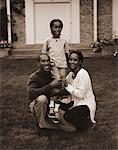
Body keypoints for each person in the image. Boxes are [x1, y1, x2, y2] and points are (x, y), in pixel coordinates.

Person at [27, 53, 76, 132]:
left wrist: (61, 85)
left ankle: (50, 122)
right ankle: (42, 125)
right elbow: (31, 94)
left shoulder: (53, 75)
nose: (46, 63)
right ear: (38, 63)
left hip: (53, 106)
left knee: (71, 129)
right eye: (43, 61)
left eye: (47, 61)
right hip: (39, 106)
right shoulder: (34, 77)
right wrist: (50, 86)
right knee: (42, 99)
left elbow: (63, 91)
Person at [42, 19, 69, 119]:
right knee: (57, 80)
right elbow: (43, 53)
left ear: (61, 28)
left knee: (63, 83)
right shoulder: (48, 41)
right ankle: (51, 105)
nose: (57, 29)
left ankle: (56, 107)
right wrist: (47, 63)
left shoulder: (64, 41)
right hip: (53, 65)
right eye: (55, 27)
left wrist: (69, 64)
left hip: (63, 65)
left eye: (59, 27)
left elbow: (67, 53)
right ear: (51, 28)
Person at [63, 51, 96, 129]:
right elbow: (64, 85)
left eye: (75, 60)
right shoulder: (71, 74)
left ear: (80, 62)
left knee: (68, 116)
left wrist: (67, 86)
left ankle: (89, 123)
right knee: (59, 107)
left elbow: (80, 95)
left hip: (86, 104)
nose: (72, 62)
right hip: (76, 102)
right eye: (70, 59)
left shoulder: (83, 74)